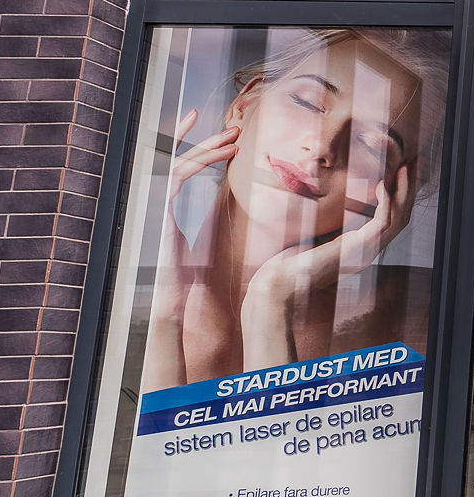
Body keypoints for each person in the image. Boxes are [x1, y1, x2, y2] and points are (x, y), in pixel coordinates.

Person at [140, 28, 443, 392]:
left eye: (373, 144)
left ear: (399, 188)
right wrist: (165, 314)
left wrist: (272, 300)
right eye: (308, 103)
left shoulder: (418, 317)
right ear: (243, 107)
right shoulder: (113, 305)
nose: (322, 146)